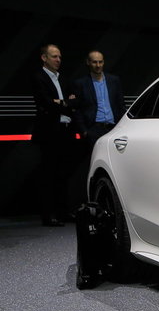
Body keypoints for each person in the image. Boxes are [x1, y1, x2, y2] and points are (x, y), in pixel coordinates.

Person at [31, 44, 77, 226]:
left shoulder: (63, 79)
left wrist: (61, 102)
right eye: (54, 57)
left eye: (59, 57)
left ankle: (63, 212)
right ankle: (48, 215)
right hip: (50, 132)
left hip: (66, 131)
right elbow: (46, 104)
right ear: (44, 58)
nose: (58, 60)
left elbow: (76, 102)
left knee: (63, 174)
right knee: (48, 174)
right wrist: (65, 103)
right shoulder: (38, 77)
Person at [71, 50, 125, 151]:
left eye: (100, 62)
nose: (98, 65)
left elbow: (120, 104)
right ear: (88, 62)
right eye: (94, 62)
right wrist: (84, 131)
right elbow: (77, 109)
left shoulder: (114, 81)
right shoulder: (81, 83)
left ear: (103, 62)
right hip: (94, 129)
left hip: (113, 128)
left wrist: (121, 127)